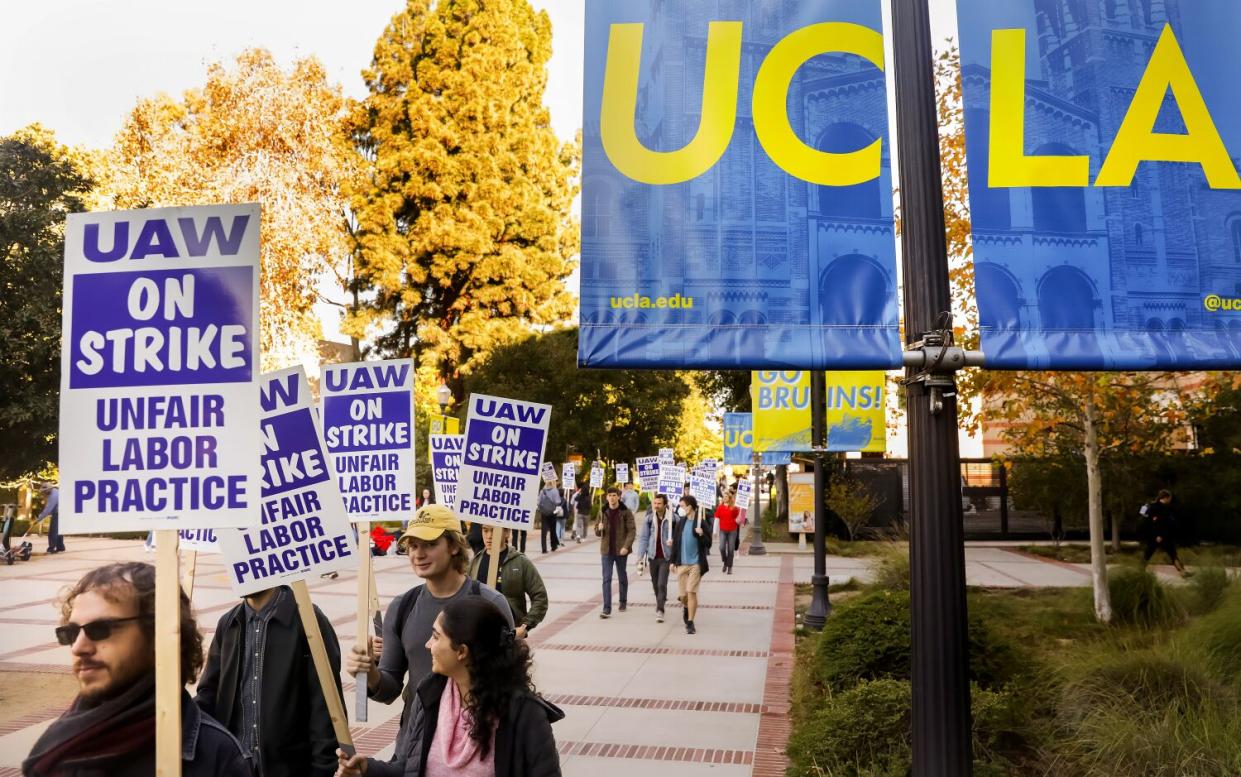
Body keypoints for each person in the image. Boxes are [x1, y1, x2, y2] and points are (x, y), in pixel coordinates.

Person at [23, 562, 249, 776]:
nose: (78, 647)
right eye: (71, 633)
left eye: (101, 629)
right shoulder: (56, 746)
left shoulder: (216, 759)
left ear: (158, 635)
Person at [335, 597, 563, 777]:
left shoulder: (525, 715)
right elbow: (409, 768)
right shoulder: (430, 692)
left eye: (436, 637)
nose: (428, 644)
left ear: (461, 651)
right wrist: (367, 769)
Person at [348, 505, 513, 728]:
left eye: (430, 544)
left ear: (454, 546)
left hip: (475, 742)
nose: (418, 554)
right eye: (413, 546)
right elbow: (388, 690)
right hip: (415, 743)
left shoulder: (490, 603)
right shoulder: (402, 606)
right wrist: (370, 674)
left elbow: (510, 682)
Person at [196, 585, 342, 777]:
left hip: (290, 769)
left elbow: (325, 709)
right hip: (235, 767)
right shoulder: (229, 623)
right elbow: (208, 695)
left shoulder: (308, 621)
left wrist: (323, 770)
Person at [468, 526, 549, 639]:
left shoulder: (520, 562)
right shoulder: (475, 562)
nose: (489, 536)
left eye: (494, 531)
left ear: (507, 532)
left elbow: (540, 597)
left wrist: (525, 626)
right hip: (479, 636)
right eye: (485, 530)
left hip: (509, 637)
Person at [671, 495, 712, 635]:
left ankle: (690, 622)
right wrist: (672, 561)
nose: (680, 509)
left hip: (696, 563)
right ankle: (686, 607)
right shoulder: (681, 523)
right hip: (682, 563)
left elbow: (708, 544)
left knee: (691, 592)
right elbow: (676, 543)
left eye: (682, 506)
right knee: (683, 595)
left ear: (690, 506)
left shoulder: (701, 522)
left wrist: (701, 534)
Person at [595, 487, 635, 618]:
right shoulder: (602, 511)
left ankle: (623, 601)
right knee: (606, 579)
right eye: (609, 495)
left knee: (622, 576)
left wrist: (626, 546)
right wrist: (598, 528)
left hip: (620, 550)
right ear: (606, 497)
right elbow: (597, 530)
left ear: (619, 496)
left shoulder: (625, 512)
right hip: (606, 550)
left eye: (614, 495)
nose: (612, 498)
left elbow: (631, 531)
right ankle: (606, 608)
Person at [635, 493, 674, 623]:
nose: (656, 506)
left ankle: (660, 609)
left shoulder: (673, 518)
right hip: (652, 556)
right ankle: (661, 599)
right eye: (655, 503)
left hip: (666, 556)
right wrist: (640, 556)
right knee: (655, 583)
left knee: (662, 583)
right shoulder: (649, 518)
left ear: (665, 504)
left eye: (659, 504)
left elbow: (680, 536)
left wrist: (673, 542)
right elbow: (644, 537)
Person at [1140, 489, 1189, 577]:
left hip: (1159, 535)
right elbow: (1159, 523)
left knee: (1170, 553)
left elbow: (1142, 512)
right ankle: (1182, 571)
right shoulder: (1161, 508)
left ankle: (1182, 571)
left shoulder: (1153, 505)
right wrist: (1159, 534)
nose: (1170, 500)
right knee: (1168, 554)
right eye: (1169, 498)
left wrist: (1147, 512)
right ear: (1165, 498)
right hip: (1159, 535)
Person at [714, 488, 741, 575]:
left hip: (732, 530)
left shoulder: (734, 508)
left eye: (726, 497)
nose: (724, 498)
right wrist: (714, 531)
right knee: (721, 547)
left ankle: (730, 567)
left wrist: (739, 518)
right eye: (723, 497)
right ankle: (725, 561)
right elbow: (716, 519)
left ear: (729, 498)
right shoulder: (720, 508)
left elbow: (739, 519)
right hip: (723, 530)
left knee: (730, 549)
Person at [537, 481, 564, 554]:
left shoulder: (542, 491)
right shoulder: (555, 491)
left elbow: (538, 502)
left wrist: (540, 508)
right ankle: (553, 546)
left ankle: (544, 548)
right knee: (552, 529)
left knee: (544, 531)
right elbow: (557, 502)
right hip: (552, 512)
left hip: (544, 513)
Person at [38, 481, 64, 554]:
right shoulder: (55, 492)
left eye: (44, 491)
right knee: (59, 530)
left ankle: (51, 548)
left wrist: (39, 519)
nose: (44, 493)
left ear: (48, 490)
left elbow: (48, 509)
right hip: (60, 512)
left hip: (58, 513)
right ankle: (60, 547)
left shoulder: (53, 496)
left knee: (53, 531)